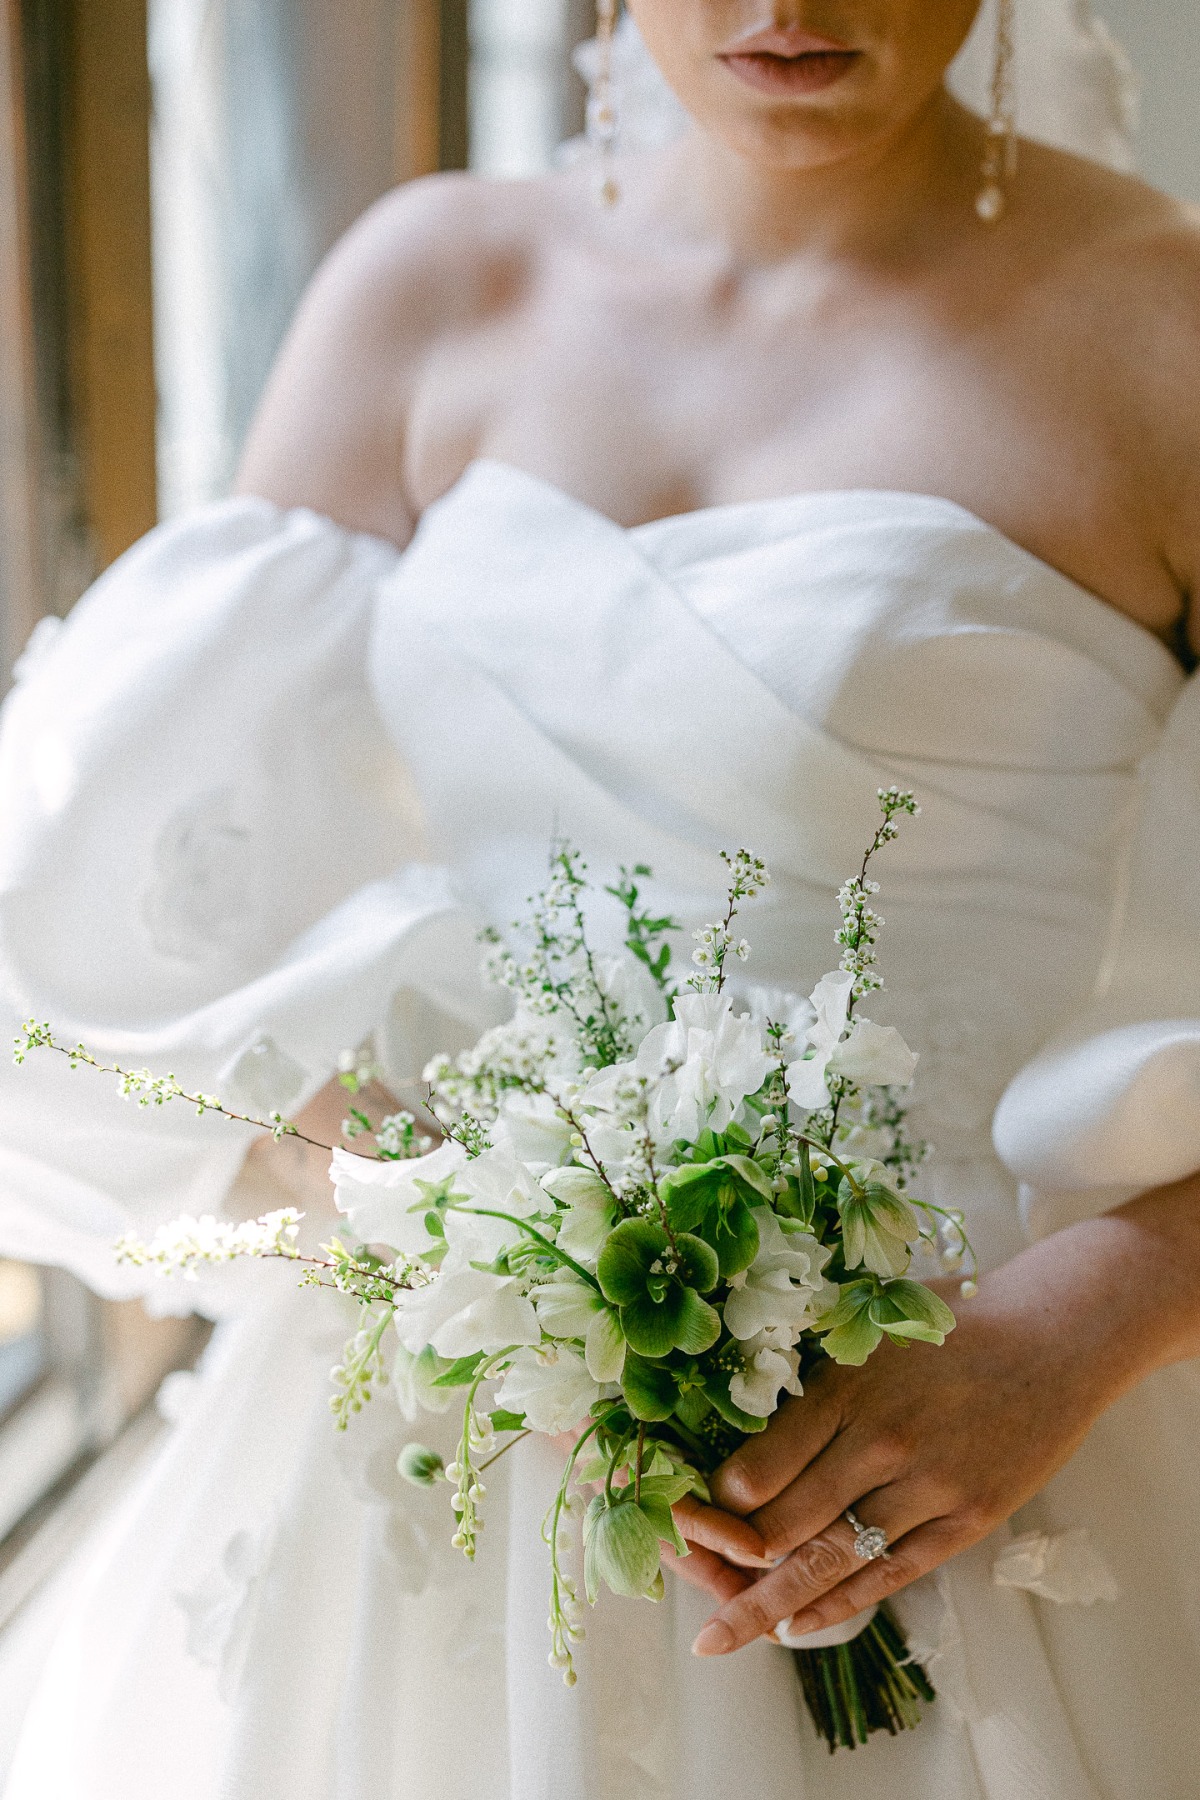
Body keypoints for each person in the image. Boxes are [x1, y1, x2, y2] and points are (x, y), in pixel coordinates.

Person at [1, 3, 1198, 1796]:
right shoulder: (435, 282)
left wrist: (1084, 1324)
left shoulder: (1162, 328)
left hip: (945, 1430)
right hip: (444, 1432)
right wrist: (412, 1201)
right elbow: (136, 881)